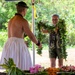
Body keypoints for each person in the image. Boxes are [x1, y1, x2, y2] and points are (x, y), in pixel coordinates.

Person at [0, 1, 42, 70]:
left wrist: (22, 40)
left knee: (10, 69)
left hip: (9, 45)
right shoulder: (23, 21)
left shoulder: (11, 20)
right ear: (23, 10)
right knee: (20, 67)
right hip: (18, 46)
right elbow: (31, 35)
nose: (26, 12)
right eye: (26, 10)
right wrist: (38, 43)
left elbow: (11, 36)